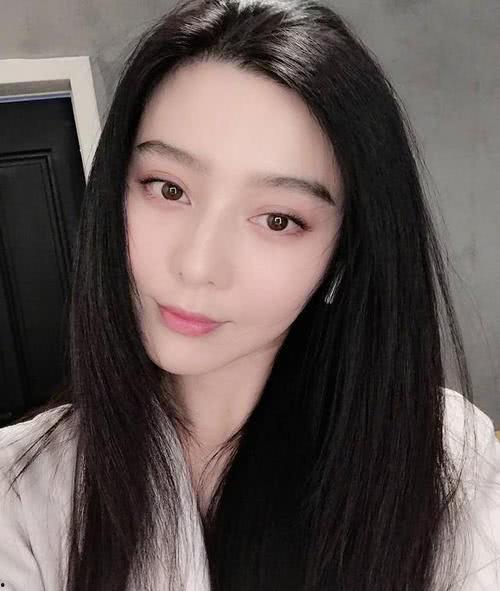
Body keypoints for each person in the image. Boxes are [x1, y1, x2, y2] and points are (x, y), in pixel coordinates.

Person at [1, 0, 499, 589]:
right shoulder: (22, 490)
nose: (197, 266)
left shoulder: (443, 460)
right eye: (168, 188)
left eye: (278, 220)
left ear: (344, 254)